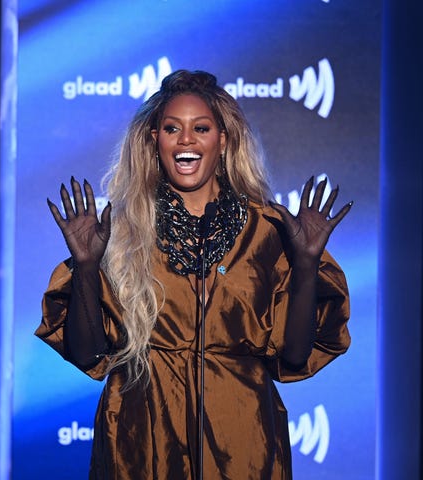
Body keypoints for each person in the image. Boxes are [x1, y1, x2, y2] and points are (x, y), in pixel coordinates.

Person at [36, 70, 352, 479]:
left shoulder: (268, 229)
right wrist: (84, 267)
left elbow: (293, 358)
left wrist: (307, 265)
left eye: (200, 128)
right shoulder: (123, 230)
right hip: (141, 436)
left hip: (243, 439)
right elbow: (87, 353)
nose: (186, 140)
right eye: (172, 128)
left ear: (222, 140)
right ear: (154, 141)